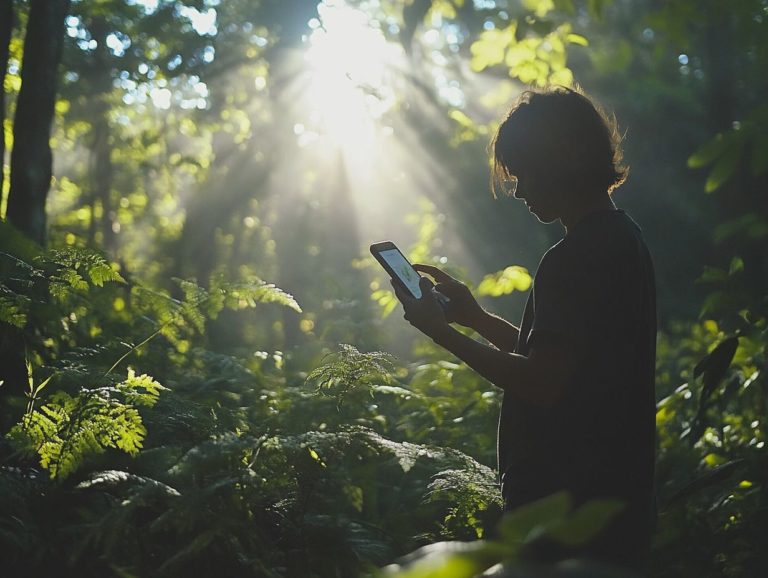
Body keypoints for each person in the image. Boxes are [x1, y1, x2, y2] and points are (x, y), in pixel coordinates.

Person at [390, 86, 656, 571]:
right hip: (613, 499)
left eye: (524, 171)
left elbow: (542, 383)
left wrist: (442, 333)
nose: (519, 190)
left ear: (561, 159)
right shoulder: (624, 239)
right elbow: (569, 365)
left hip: (565, 508)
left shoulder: (574, 258)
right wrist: (475, 318)